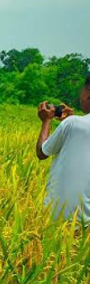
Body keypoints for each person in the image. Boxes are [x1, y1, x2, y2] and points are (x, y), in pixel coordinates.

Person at [35, 77, 90, 227]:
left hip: (60, 221)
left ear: (88, 93)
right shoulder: (73, 123)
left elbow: (42, 152)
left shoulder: (72, 124)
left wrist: (46, 121)